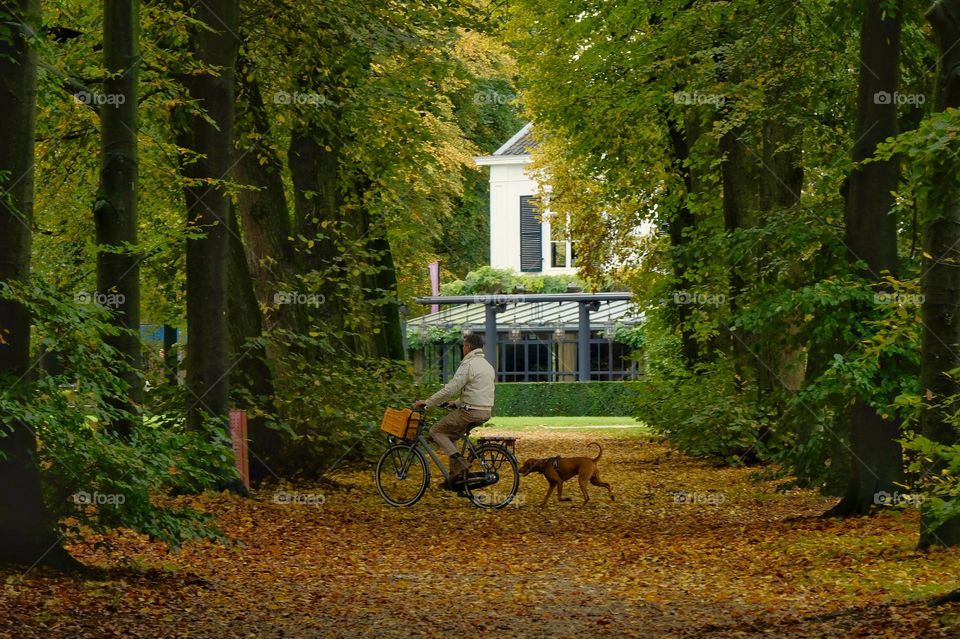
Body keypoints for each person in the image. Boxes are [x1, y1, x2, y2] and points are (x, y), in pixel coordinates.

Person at [414, 332, 495, 485]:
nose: (462, 349)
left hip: (470, 412)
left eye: (463, 346)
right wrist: (457, 403)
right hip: (485, 411)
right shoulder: (487, 366)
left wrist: (427, 402)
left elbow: (450, 389)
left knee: (436, 431)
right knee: (451, 434)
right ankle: (456, 476)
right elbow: (477, 391)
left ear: (468, 347)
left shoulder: (468, 364)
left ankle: (460, 462)